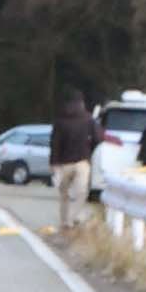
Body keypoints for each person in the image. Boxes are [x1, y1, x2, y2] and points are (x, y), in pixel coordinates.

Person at [51, 86, 99, 235]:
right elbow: (97, 138)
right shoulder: (88, 119)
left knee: (64, 194)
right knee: (81, 192)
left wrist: (53, 163)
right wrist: (89, 151)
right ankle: (75, 216)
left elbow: (54, 143)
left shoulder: (60, 120)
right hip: (82, 162)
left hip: (63, 163)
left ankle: (65, 221)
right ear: (82, 103)